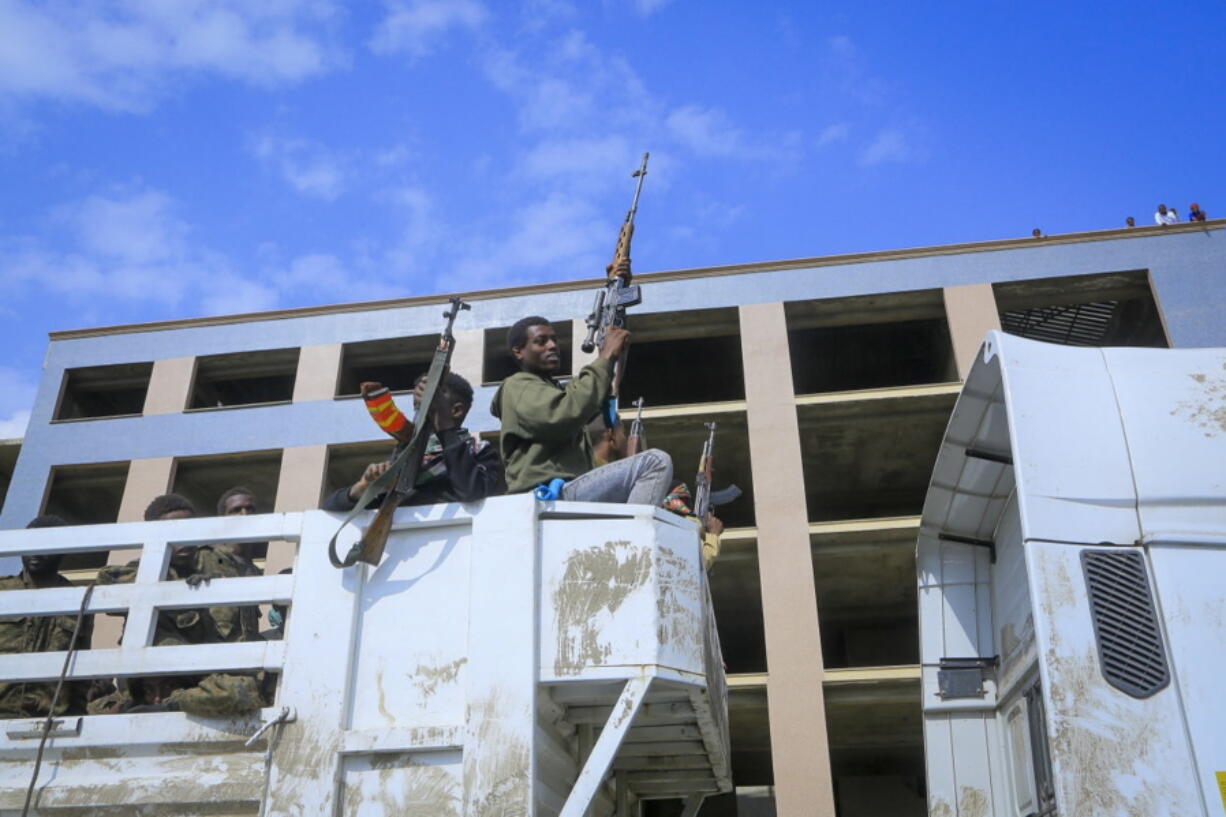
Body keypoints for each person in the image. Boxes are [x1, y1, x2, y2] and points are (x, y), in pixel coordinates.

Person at [89, 495, 262, 715]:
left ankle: (170, 705)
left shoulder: (211, 566)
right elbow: (107, 581)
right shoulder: (147, 571)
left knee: (243, 690)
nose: (184, 541)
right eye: (175, 532)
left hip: (197, 681)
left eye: (189, 530)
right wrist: (173, 589)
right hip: (154, 681)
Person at [491, 316, 672, 505]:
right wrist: (605, 357)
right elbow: (566, 412)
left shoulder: (555, 391)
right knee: (655, 462)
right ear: (518, 351)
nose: (552, 345)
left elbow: (585, 400)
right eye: (541, 342)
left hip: (569, 490)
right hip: (548, 493)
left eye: (554, 340)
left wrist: (610, 358)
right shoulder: (516, 386)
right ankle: (634, 535)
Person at [322, 371, 502, 511]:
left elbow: (472, 491)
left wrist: (444, 424)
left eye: (438, 392)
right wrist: (363, 487)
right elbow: (330, 507)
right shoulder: (406, 457)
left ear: (456, 411)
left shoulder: (478, 452)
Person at [587, 419, 723, 569]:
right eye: (623, 434)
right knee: (659, 461)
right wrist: (712, 535)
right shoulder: (676, 526)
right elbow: (697, 563)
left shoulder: (590, 481)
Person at [0, 516, 94, 719]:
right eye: (30, 545)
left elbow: (81, 663)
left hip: (49, 718)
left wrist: (76, 713)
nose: (36, 554)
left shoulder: (77, 600)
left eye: (46, 546)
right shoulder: (3, 591)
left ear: (63, 551)